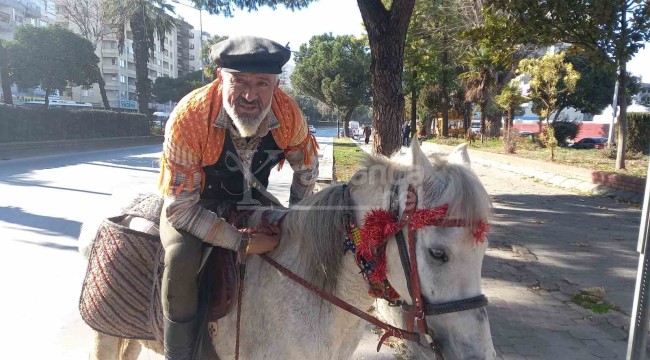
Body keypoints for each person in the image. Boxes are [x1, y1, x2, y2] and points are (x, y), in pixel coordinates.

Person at [157, 36, 319, 359]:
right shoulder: (189, 117)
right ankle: (178, 352)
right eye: (239, 81)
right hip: (195, 205)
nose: (250, 94)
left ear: (276, 84)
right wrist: (242, 242)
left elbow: (307, 171)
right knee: (180, 259)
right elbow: (180, 211)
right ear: (220, 77)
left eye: (262, 83)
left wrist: (297, 222)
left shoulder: (289, 115)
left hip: (254, 201)